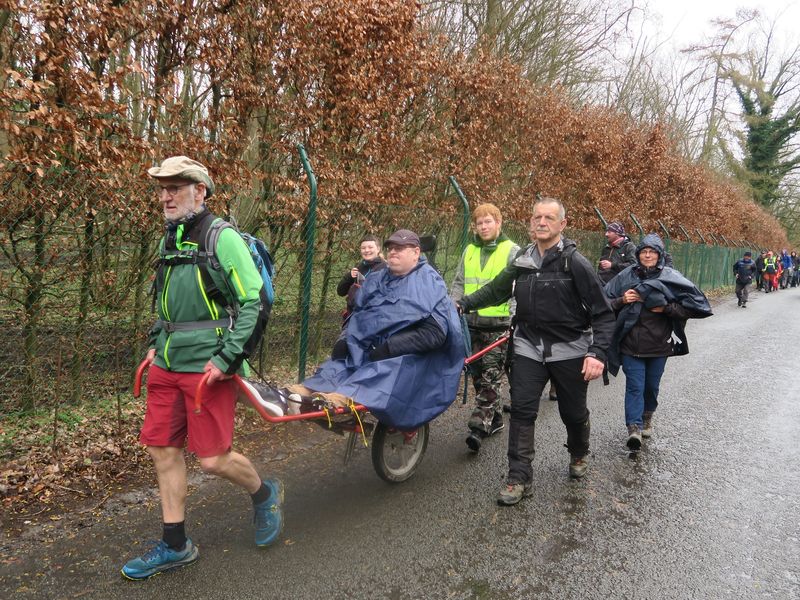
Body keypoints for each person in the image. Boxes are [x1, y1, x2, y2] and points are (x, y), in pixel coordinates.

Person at [121, 156, 283, 580]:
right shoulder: (167, 240)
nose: (166, 195)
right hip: (167, 364)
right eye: (162, 188)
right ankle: (176, 545)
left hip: (208, 367)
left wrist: (227, 358)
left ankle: (265, 494)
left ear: (201, 192)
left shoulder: (221, 237)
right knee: (163, 450)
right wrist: (156, 343)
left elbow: (253, 303)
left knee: (212, 459)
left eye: (176, 187)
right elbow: (164, 303)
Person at [457, 197, 615, 506]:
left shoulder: (575, 263)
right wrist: (462, 303)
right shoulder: (523, 260)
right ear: (530, 222)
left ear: (561, 225)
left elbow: (603, 312)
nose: (541, 222)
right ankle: (519, 477)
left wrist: (596, 353)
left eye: (548, 218)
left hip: (569, 350)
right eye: (536, 217)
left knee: (572, 412)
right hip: (529, 346)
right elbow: (495, 290)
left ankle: (579, 451)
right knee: (523, 411)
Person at [292, 229, 464, 430]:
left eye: (400, 248)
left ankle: (342, 399)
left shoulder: (429, 283)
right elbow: (358, 315)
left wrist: (391, 347)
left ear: (416, 252)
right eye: (390, 248)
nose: (392, 252)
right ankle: (305, 391)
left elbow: (435, 334)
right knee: (344, 360)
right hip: (368, 346)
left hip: (407, 355)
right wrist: (345, 338)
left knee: (387, 367)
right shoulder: (378, 277)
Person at [604, 234, 712, 450]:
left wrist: (666, 308)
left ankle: (646, 417)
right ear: (638, 254)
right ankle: (633, 428)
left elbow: (698, 307)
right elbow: (602, 301)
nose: (647, 255)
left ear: (660, 255)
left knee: (651, 387)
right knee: (635, 386)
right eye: (644, 251)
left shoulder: (671, 277)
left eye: (652, 252)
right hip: (630, 344)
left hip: (659, 344)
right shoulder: (626, 275)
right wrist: (622, 300)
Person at [450, 203, 520, 451]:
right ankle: (497, 419)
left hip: (499, 325)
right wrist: (454, 305)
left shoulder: (512, 250)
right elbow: (459, 282)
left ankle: (478, 428)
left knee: (491, 376)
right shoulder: (469, 250)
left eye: (488, 221)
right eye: (480, 223)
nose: (484, 226)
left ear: (499, 223)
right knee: (478, 376)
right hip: (470, 324)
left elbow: (515, 289)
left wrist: (513, 319)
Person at [336, 235, 385, 324]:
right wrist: (349, 276)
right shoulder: (359, 268)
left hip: (377, 319)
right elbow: (340, 291)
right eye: (363, 248)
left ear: (378, 249)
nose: (366, 250)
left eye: (370, 247)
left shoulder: (386, 268)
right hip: (355, 318)